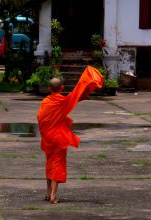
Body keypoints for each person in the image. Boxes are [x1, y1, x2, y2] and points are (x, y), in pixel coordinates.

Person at [37, 65, 104, 204]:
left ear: (49, 89)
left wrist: (81, 96)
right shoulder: (62, 101)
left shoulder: (45, 102)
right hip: (57, 138)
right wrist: (86, 86)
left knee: (49, 163)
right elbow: (75, 96)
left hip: (47, 137)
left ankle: (48, 192)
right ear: (61, 88)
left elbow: (41, 118)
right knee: (57, 164)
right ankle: (54, 196)